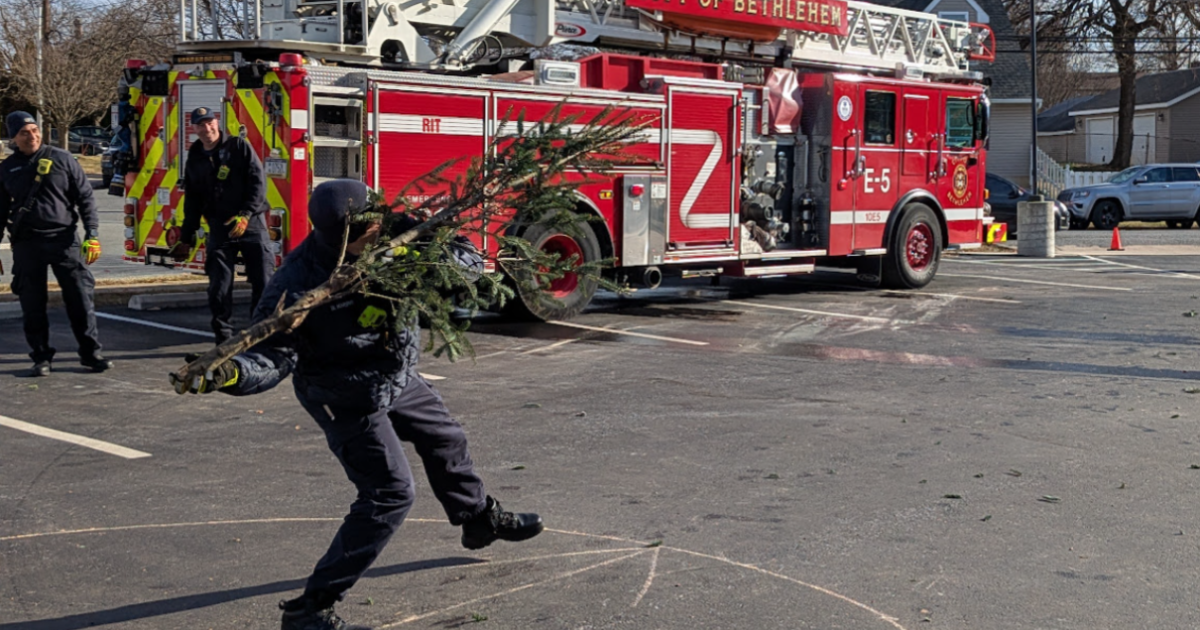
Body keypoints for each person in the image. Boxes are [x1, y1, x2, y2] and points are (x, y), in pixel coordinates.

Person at [172, 180, 543, 630]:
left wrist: (434, 263)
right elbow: (271, 354)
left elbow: (461, 254)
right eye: (369, 226)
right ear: (343, 234)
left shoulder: (395, 229)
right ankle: (310, 608)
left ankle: (477, 518)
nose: (382, 228)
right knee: (389, 493)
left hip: (394, 372)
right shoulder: (298, 282)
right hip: (341, 392)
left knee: (444, 435)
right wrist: (232, 374)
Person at [0, 111, 112, 377]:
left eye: (35, 130)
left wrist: (92, 234)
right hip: (27, 244)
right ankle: (41, 357)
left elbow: (85, 197)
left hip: (64, 241)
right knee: (32, 304)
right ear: (14, 137)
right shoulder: (7, 168)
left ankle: (90, 353)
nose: (32, 136)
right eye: (24, 132)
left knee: (80, 298)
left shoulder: (61, 159)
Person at [174, 106, 274, 343]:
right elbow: (193, 201)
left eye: (209, 122)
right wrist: (186, 237)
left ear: (217, 123)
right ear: (195, 129)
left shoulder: (239, 147)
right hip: (220, 227)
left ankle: (259, 335)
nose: (206, 128)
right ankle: (224, 339)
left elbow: (257, 183)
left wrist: (246, 214)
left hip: (250, 224)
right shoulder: (195, 157)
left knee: (264, 280)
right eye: (201, 124)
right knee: (219, 285)